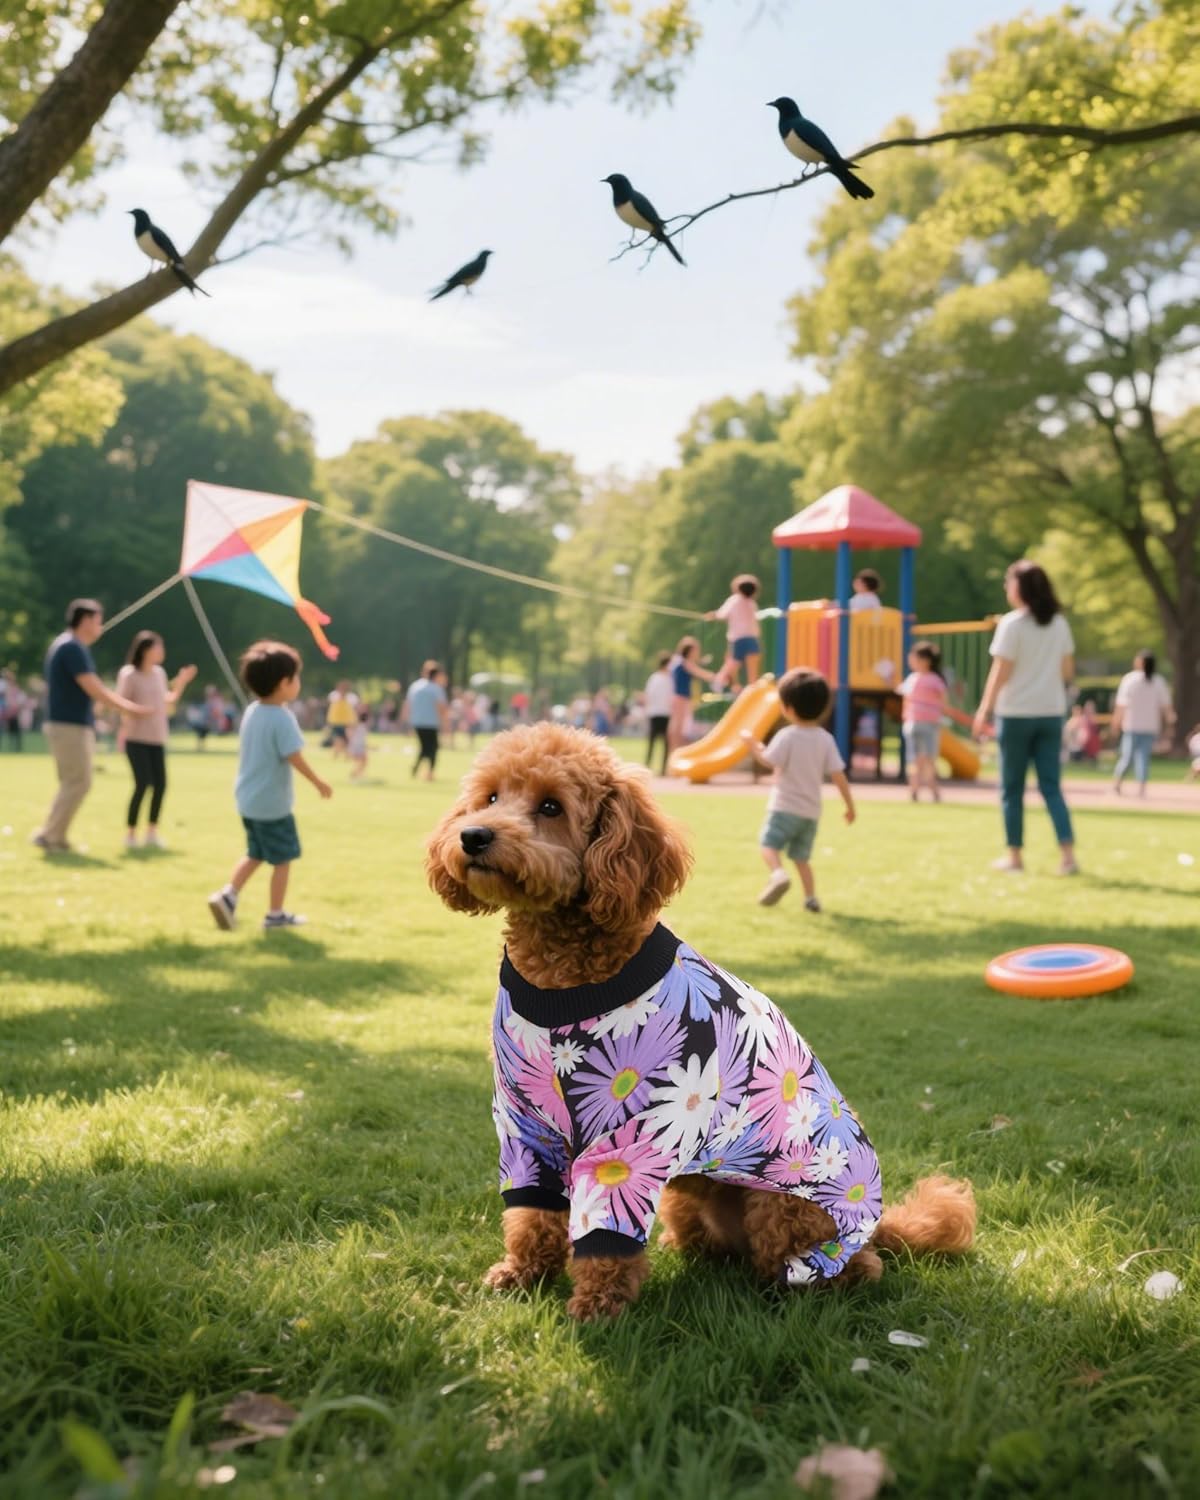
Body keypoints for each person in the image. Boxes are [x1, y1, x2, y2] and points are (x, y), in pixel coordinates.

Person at [208, 640, 331, 932]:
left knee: (256, 853)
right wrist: (318, 782)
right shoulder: (282, 717)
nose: (297, 683)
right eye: (295, 677)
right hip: (272, 805)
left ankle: (228, 895)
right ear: (282, 684)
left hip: (248, 800)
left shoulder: (253, 711)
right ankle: (275, 914)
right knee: (283, 858)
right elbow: (293, 756)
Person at [973, 560, 1077, 875]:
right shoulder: (1059, 623)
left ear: (1020, 588)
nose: (1006, 587)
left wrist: (984, 709)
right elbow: (1067, 671)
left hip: (1016, 714)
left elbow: (1000, 673)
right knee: (1051, 787)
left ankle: (1015, 858)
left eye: (1009, 582)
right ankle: (1068, 857)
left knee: (1012, 789)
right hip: (1050, 714)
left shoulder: (1012, 624)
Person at [32, 600, 152, 853]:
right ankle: (51, 837)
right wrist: (131, 709)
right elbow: (94, 688)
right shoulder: (72, 648)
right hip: (69, 726)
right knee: (79, 782)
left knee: (73, 782)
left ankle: (51, 834)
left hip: (68, 724)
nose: (100, 626)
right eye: (97, 620)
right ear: (85, 620)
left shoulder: (70, 646)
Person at [740, 667, 856, 912]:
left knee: (768, 845)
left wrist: (753, 745)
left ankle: (778, 874)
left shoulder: (788, 735)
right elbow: (838, 775)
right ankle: (811, 898)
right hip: (811, 812)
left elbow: (769, 760)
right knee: (802, 858)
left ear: (788, 708)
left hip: (784, 807)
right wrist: (849, 806)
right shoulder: (825, 739)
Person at [116, 630, 198, 848]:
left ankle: (152, 831)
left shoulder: (159, 674)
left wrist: (181, 682)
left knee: (160, 785)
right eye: (158, 647)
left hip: (157, 738)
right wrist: (141, 711)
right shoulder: (129, 674)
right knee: (142, 784)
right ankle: (131, 833)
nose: (162, 651)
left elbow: (168, 701)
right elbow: (120, 704)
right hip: (136, 738)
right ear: (145, 649)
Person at [1111, 650, 1175, 797]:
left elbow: (1121, 705)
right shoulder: (1158, 681)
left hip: (1132, 726)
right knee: (1143, 758)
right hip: (1150, 726)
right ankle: (1141, 788)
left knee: (1127, 757)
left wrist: (1116, 723)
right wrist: (1169, 725)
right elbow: (1166, 707)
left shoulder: (1130, 680)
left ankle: (1117, 784)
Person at [898, 640, 947, 802]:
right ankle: (921, 790)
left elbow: (942, 701)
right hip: (918, 724)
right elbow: (943, 701)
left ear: (926, 661)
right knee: (922, 759)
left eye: (915, 659)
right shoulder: (932, 680)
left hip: (923, 724)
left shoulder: (919, 679)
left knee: (921, 759)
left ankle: (924, 790)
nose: (911, 662)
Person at [704, 574, 761, 689]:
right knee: (752, 660)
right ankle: (752, 684)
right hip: (751, 637)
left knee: (733, 662)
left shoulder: (734, 600)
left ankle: (719, 680)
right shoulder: (751, 603)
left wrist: (713, 615)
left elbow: (721, 614)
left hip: (738, 637)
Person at [666, 636, 718, 754]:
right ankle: (675, 752)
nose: (697, 653)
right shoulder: (685, 663)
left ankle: (674, 752)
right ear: (690, 651)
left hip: (678, 697)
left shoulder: (678, 661)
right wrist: (716, 677)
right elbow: (700, 673)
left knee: (677, 726)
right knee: (678, 727)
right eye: (696, 650)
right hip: (681, 698)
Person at [403, 660, 449, 780]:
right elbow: (441, 708)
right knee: (433, 748)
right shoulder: (437, 689)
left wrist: (406, 722)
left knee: (424, 747)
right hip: (431, 723)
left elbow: (408, 705)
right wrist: (445, 724)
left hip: (417, 722)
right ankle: (430, 773)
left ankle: (416, 767)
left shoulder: (415, 686)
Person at [644, 651, 674, 773]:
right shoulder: (659, 678)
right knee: (655, 742)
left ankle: (661, 768)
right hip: (658, 713)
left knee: (662, 742)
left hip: (661, 713)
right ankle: (649, 766)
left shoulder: (657, 678)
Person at [325, 679, 359, 759]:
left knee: (348, 739)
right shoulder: (333, 695)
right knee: (338, 739)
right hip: (336, 721)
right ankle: (336, 754)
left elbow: (354, 709)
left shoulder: (352, 697)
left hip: (348, 722)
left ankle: (347, 755)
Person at [348, 706, 370, 780]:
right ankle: (355, 774)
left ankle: (357, 774)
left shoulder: (362, 725)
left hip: (359, 746)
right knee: (362, 761)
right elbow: (349, 731)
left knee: (363, 761)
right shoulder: (356, 724)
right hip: (356, 746)